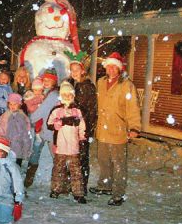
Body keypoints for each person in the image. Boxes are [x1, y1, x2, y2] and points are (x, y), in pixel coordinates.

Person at [89, 52, 141, 206]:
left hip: (118, 130)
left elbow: (133, 108)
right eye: (108, 66)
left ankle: (118, 193)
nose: (111, 69)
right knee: (103, 160)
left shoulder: (126, 85)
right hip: (102, 130)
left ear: (119, 69)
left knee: (118, 163)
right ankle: (105, 185)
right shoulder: (100, 82)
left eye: (114, 67)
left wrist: (134, 127)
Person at [47, 81, 87, 203]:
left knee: (76, 171)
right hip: (60, 146)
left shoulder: (77, 111)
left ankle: (78, 193)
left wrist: (82, 137)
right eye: (64, 95)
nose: (67, 97)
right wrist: (56, 124)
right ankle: (56, 189)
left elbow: (82, 126)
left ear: (73, 96)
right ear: (61, 96)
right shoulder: (56, 110)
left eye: (69, 94)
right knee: (58, 169)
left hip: (74, 146)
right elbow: (49, 124)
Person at [65, 52, 97, 195]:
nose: (74, 72)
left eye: (77, 69)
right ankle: (71, 185)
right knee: (71, 157)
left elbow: (89, 110)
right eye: (72, 70)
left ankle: (81, 188)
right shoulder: (70, 84)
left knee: (82, 158)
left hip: (82, 128)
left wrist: (86, 129)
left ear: (83, 70)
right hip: (70, 128)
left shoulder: (87, 86)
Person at [24, 68, 59, 190]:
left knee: (56, 156)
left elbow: (42, 111)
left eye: (50, 80)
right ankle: (28, 180)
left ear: (54, 81)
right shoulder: (46, 93)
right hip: (44, 129)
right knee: (36, 152)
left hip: (50, 131)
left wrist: (30, 119)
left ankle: (60, 183)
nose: (47, 82)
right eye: (45, 79)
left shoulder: (53, 95)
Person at [0, 93, 32, 167]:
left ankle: (15, 174)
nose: (12, 106)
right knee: (6, 161)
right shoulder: (5, 116)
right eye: (10, 104)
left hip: (18, 144)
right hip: (7, 143)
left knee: (16, 163)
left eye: (15, 104)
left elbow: (26, 131)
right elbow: (0, 129)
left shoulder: (23, 116)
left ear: (19, 104)